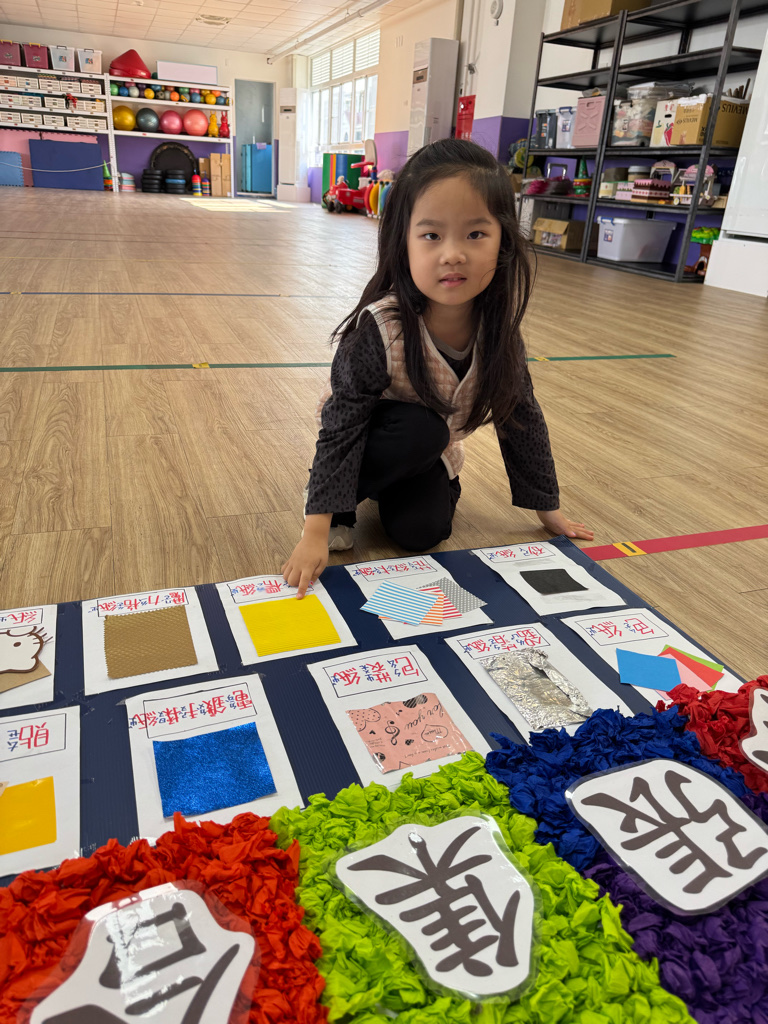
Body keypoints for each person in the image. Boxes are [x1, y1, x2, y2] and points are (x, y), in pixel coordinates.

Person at [282, 138, 593, 597]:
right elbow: (343, 426)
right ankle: (339, 504)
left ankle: (388, 489)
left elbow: (522, 419)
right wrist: (316, 529)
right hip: (372, 440)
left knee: (422, 533)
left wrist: (549, 510)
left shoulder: (498, 335)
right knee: (421, 430)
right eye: (431, 235)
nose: (453, 254)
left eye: (475, 234)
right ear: (403, 242)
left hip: (430, 454)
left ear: (503, 241)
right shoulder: (379, 328)